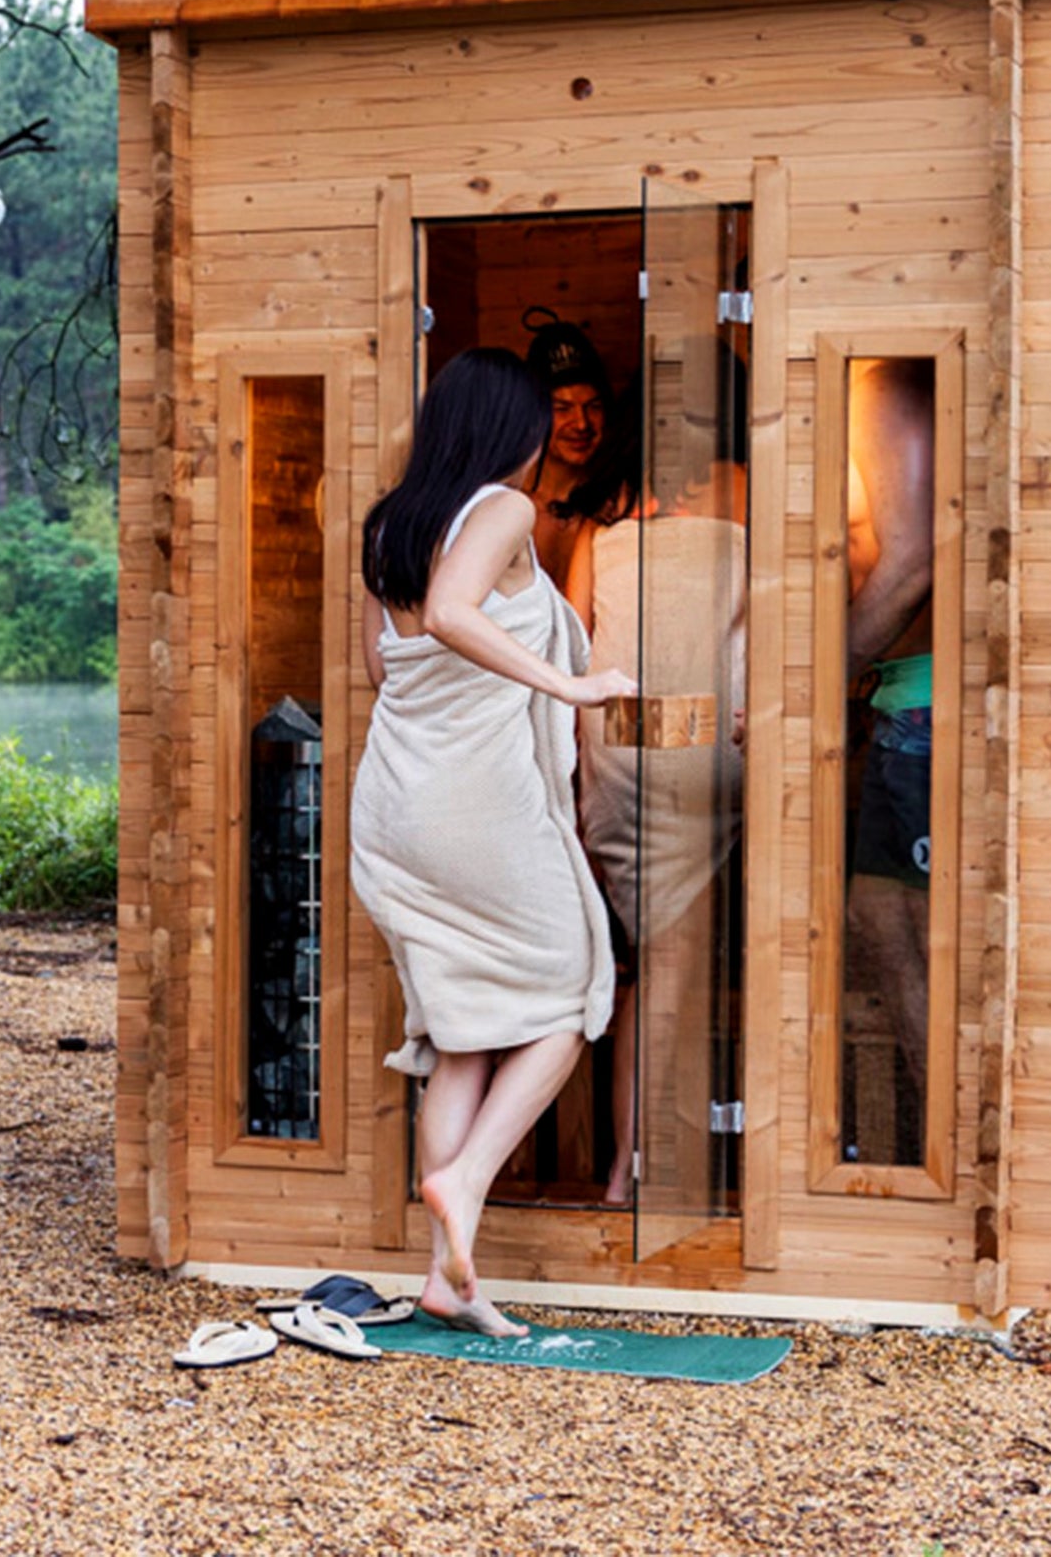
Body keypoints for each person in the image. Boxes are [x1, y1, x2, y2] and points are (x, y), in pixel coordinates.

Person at [349, 346, 637, 1337]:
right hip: (479, 803)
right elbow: (450, 613)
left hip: (393, 804)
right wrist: (570, 685)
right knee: (574, 989)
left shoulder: (389, 522)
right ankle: (466, 1179)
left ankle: (448, 1278)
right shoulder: (503, 512)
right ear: (510, 430)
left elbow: (383, 666)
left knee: (458, 1035)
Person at [566, 356, 748, 1204]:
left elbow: (572, 648)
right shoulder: (747, 488)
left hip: (619, 748)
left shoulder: (600, 514)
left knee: (648, 962)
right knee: (675, 964)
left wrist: (571, 786)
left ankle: (625, 1169)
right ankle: (643, 1175)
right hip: (708, 741)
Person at [843, 356, 937, 1139]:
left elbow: (911, 558)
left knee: (906, 932)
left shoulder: (876, 384)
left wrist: (817, 682)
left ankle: (953, 1160)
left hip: (921, 700)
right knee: (880, 917)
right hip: (899, 693)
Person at [522, 310, 614, 591]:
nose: (582, 423)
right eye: (562, 409)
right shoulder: (510, 504)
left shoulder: (615, 504)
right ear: (535, 414)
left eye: (593, 407)